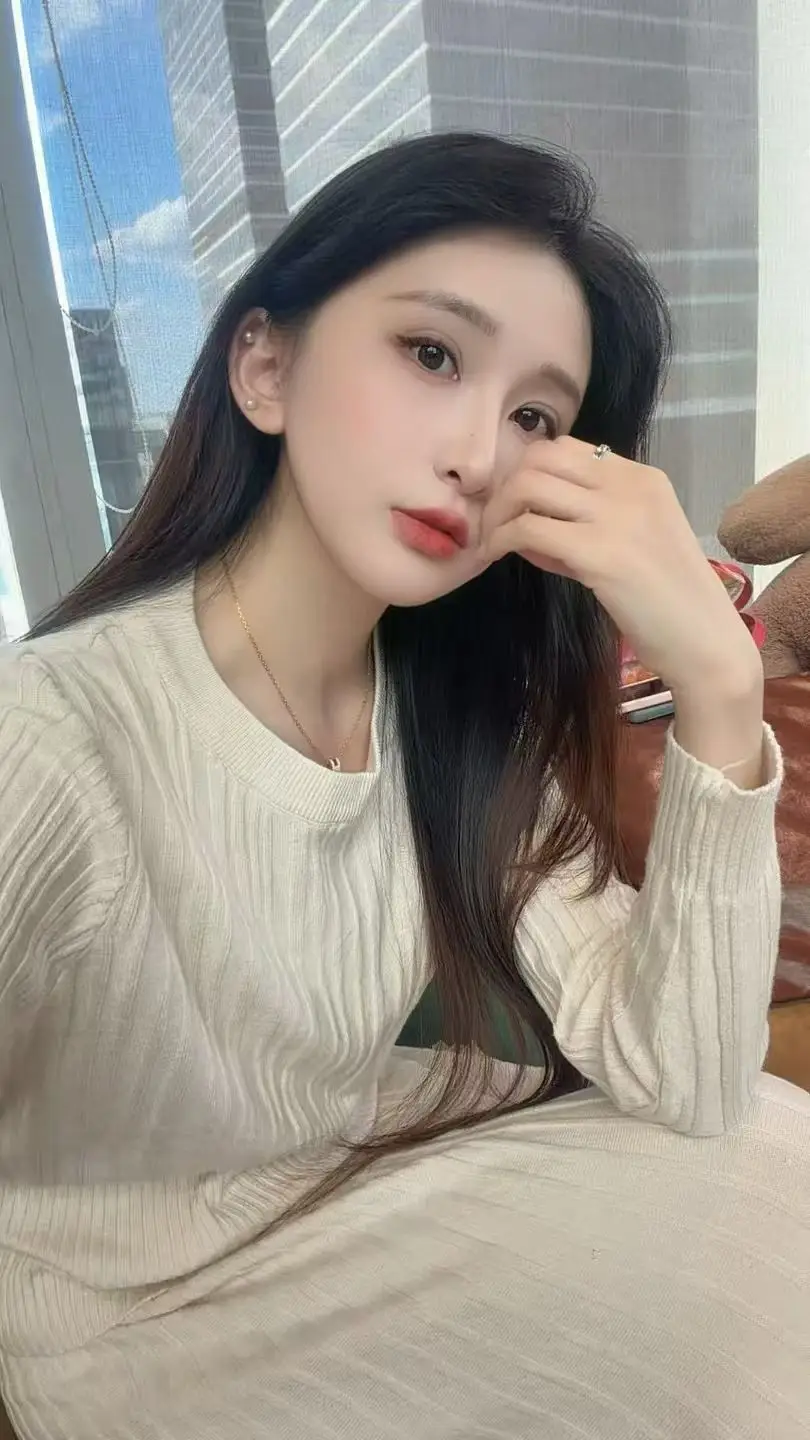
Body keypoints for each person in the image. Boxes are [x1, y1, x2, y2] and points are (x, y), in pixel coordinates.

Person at [0, 132, 806, 1440]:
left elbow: (693, 1082)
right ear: (265, 367)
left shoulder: (447, 713)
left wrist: (718, 683)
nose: (481, 453)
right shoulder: (50, 738)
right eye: (431, 353)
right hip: (125, 1309)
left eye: (536, 417)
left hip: (352, 1183)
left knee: (774, 1164)